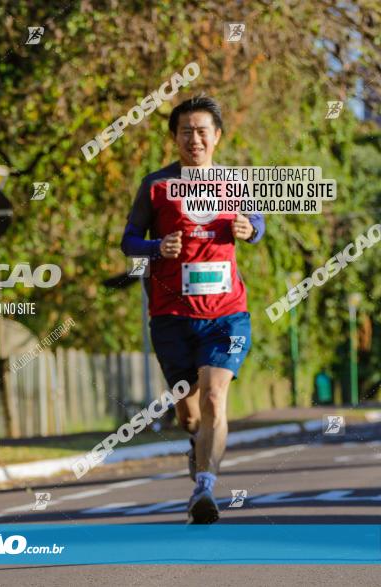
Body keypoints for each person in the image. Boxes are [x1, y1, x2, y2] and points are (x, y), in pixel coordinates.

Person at [120, 96, 265, 524]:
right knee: (190, 415)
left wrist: (250, 227)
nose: (195, 139)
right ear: (175, 138)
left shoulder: (234, 182)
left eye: (203, 131)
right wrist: (154, 246)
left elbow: (257, 223)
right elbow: (128, 239)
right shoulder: (156, 186)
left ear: (217, 137)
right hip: (171, 316)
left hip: (227, 313)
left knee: (217, 398)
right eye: (186, 131)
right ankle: (197, 446)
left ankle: (205, 488)